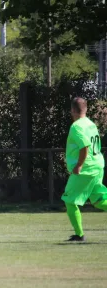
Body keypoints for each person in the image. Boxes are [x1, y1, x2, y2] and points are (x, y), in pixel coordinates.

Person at [61, 97, 107, 241]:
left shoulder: (76, 126)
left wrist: (79, 165)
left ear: (72, 111)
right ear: (86, 109)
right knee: (99, 200)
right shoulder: (91, 124)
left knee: (70, 200)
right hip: (98, 165)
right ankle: (79, 234)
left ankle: (79, 235)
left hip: (86, 169)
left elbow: (84, 146)